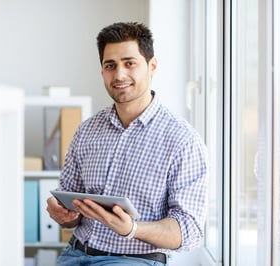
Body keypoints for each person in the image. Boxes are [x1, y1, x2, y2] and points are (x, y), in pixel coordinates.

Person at [46, 22, 209, 266]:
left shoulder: (182, 140)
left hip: (135, 259)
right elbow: (71, 209)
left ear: (151, 66)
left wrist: (131, 229)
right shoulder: (87, 131)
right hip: (75, 253)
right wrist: (63, 215)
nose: (119, 74)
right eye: (110, 66)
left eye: (129, 63)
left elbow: (189, 230)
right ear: (102, 71)